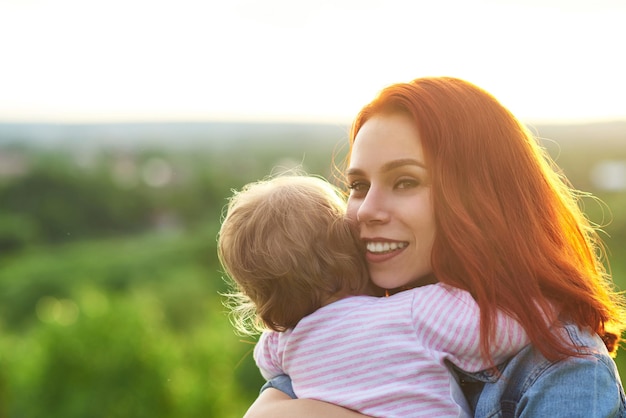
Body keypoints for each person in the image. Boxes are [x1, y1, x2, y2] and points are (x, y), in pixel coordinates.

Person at [243, 77, 626, 418]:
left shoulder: (566, 370)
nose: (366, 211)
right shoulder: (345, 333)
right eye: (358, 186)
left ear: (482, 196)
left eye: (405, 182)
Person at [217, 174, 529, 417]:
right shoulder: (417, 310)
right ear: (351, 253)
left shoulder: (282, 342)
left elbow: (267, 365)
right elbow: (505, 333)